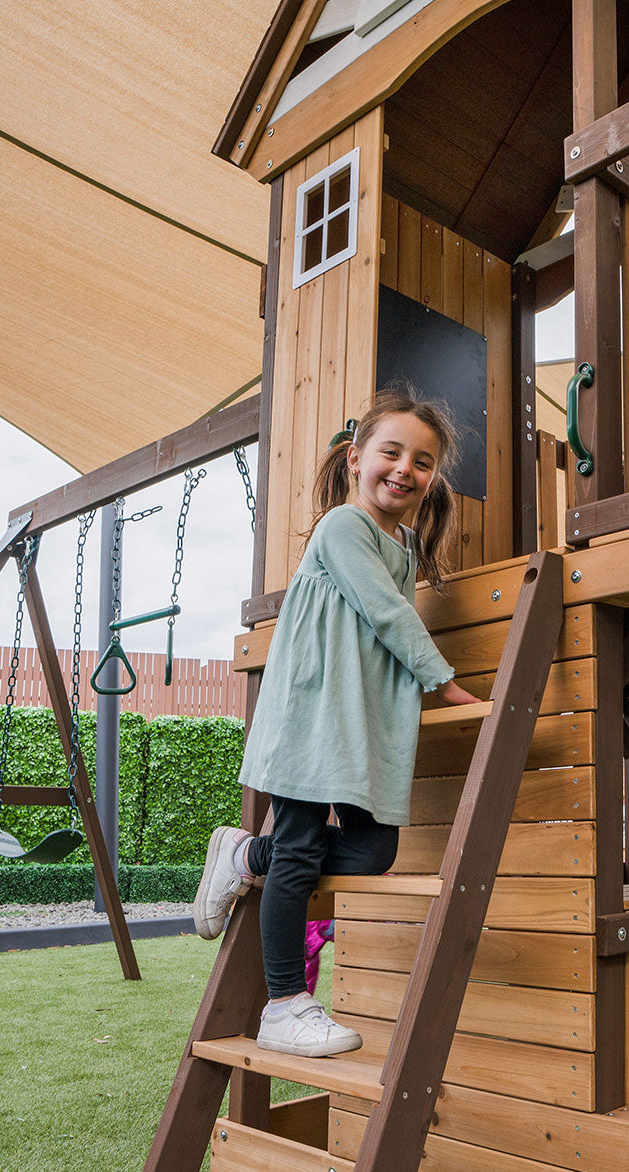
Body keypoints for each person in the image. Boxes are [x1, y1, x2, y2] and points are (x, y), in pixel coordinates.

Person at [193, 386, 477, 1057]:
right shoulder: (342, 528)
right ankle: (284, 1006)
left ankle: (241, 853)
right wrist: (443, 682)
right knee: (297, 857)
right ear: (357, 459)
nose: (405, 468)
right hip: (308, 717)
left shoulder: (401, 544)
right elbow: (385, 613)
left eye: (423, 461)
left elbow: (380, 627)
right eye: (392, 452)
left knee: (373, 852)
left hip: (351, 728)